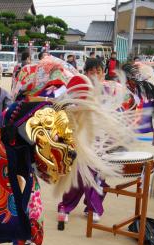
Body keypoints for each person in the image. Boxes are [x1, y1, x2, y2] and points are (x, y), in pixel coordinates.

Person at [57, 58, 108, 229]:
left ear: (103, 74)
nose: (94, 75)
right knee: (78, 174)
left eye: (98, 71)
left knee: (98, 176)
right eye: (91, 71)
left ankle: (92, 207)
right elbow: (60, 106)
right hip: (79, 139)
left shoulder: (109, 92)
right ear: (85, 73)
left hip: (100, 141)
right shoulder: (74, 88)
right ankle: (66, 206)